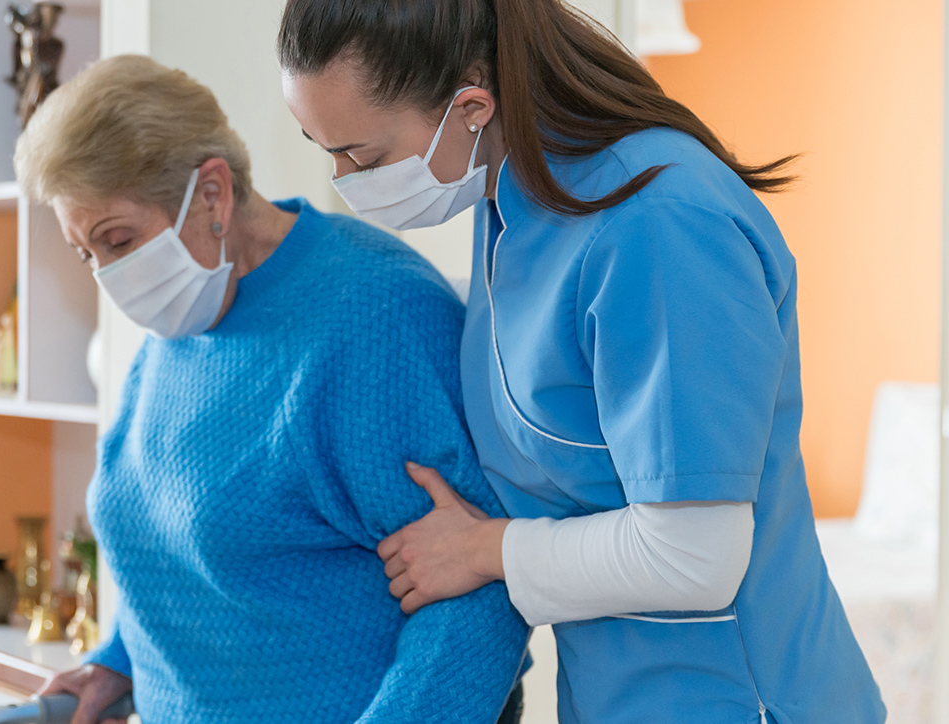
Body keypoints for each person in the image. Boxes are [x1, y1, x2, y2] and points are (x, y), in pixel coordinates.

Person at [276, 1, 884, 723]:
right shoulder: (515, 197)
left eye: (364, 157)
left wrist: (484, 551)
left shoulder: (660, 224)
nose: (346, 178)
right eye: (324, 149)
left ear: (471, 106)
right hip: (613, 694)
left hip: (734, 696)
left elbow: (698, 555)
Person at [14, 54, 529, 724]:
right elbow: (182, 556)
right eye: (87, 254)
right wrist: (119, 663)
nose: (109, 276)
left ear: (212, 194)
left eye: (118, 240)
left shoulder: (377, 316)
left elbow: (479, 596)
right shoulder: (182, 323)